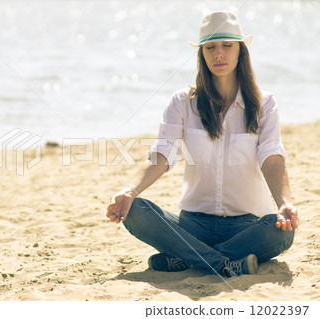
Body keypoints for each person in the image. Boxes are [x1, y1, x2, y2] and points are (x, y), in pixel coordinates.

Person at [105, 11, 299, 277]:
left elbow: (272, 158)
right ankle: (223, 264)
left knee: (281, 231)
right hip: (192, 224)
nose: (219, 54)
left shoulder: (264, 103)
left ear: (240, 51)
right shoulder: (183, 102)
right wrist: (129, 190)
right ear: (202, 54)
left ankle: (187, 257)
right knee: (136, 209)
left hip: (246, 226)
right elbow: (162, 154)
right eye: (210, 48)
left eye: (226, 46)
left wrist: (283, 203)